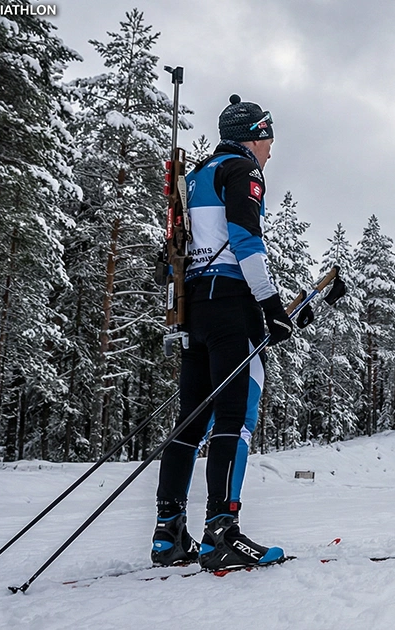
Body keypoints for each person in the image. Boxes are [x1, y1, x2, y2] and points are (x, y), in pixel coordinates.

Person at [151, 94, 295, 571]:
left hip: (193, 309)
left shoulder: (194, 176)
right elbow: (245, 239)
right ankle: (221, 532)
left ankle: (168, 533)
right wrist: (270, 304)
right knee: (235, 419)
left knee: (190, 424)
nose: (270, 150)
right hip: (232, 303)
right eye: (268, 139)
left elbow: (173, 250)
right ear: (254, 137)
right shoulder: (242, 170)